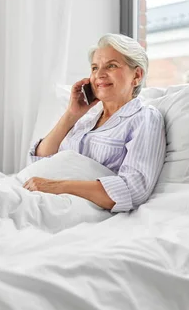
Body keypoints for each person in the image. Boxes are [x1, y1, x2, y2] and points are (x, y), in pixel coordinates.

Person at [23, 33, 166, 212]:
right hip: (34, 194)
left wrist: (57, 187)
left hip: (70, 207)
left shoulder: (144, 118)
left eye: (111, 66)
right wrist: (71, 115)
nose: (99, 75)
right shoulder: (85, 120)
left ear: (136, 75)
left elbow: (133, 189)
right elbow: (38, 162)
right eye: (94, 68)